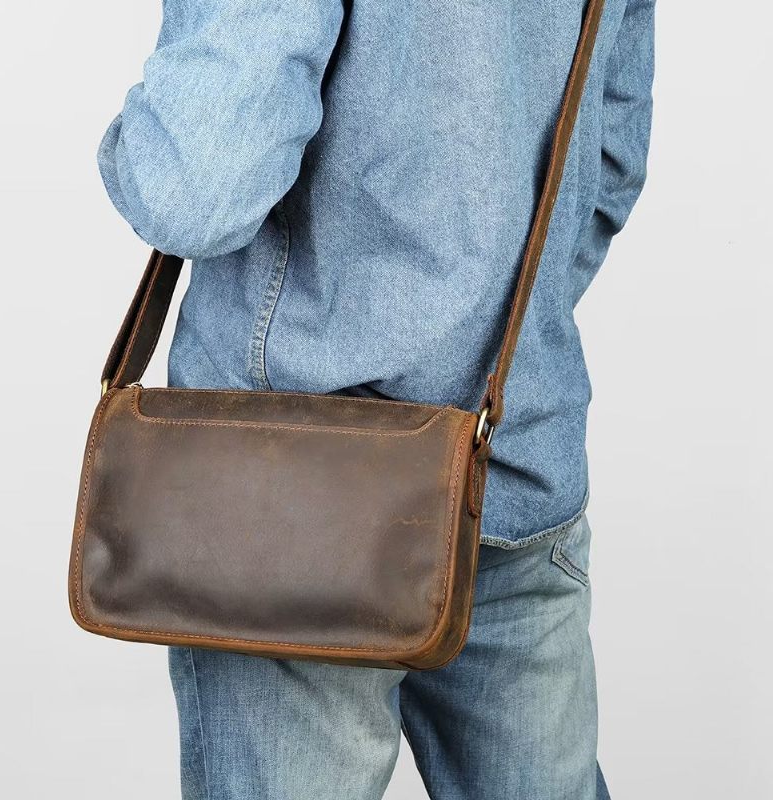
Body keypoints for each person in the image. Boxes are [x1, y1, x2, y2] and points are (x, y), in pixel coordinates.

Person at [97, 1, 654, 797]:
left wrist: (132, 150)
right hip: (516, 456)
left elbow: (196, 190)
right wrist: (486, 328)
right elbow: (608, 163)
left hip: (287, 508)